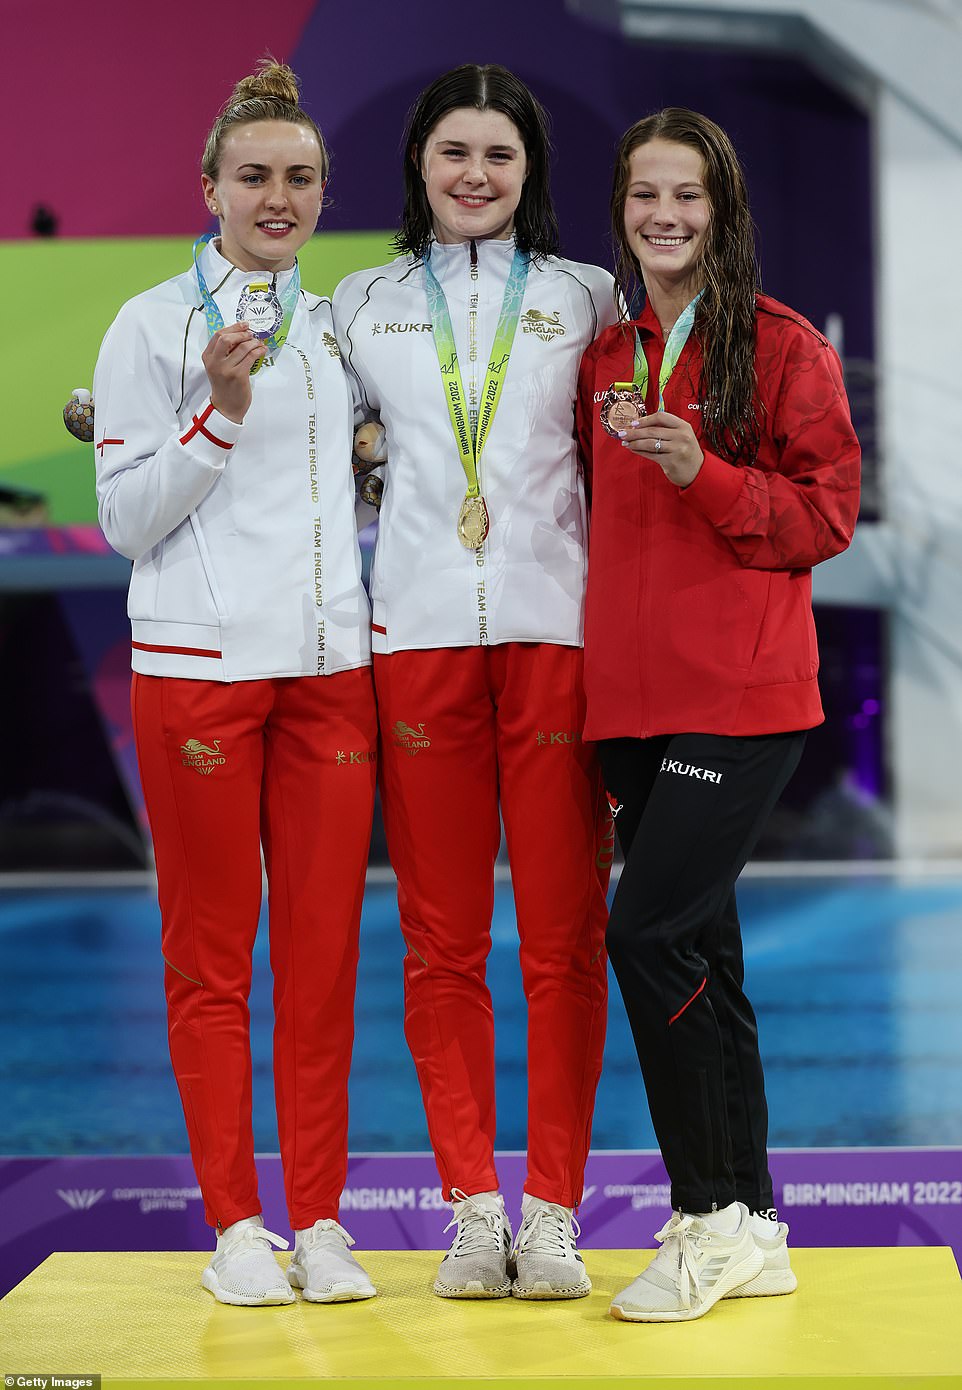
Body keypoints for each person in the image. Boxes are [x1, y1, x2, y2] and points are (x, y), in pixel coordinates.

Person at [93, 61, 378, 1307]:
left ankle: (318, 1218)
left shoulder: (337, 325)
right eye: (254, 175)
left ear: (322, 193)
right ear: (207, 186)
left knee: (320, 958)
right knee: (212, 962)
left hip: (329, 675)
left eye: (300, 177)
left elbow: (363, 474)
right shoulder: (148, 325)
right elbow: (122, 517)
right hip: (200, 675)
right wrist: (213, 410)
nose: (278, 195)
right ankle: (235, 1227)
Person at [333, 64, 617, 1301]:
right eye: (454, 152)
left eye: (498, 156)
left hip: (558, 638)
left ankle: (551, 1209)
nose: (474, 176)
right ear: (418, 163)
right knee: (441, 942)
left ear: (528, 171)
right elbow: (313, 455)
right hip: (419, 641)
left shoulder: (587, 296)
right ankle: (468, 1207)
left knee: (564, 938)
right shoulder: (361, 301)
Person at [577, 108, 860, 1323]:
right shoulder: (602, 351)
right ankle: (753, 1218)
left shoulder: (780, 346)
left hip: (740, 698)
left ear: (720, 206)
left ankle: (697, 1217)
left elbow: (822, 521)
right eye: (644, 194)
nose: (663, 217)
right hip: (629, 702)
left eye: (684, 195)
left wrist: (702, 471)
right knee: (706, 951)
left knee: (642, 935)